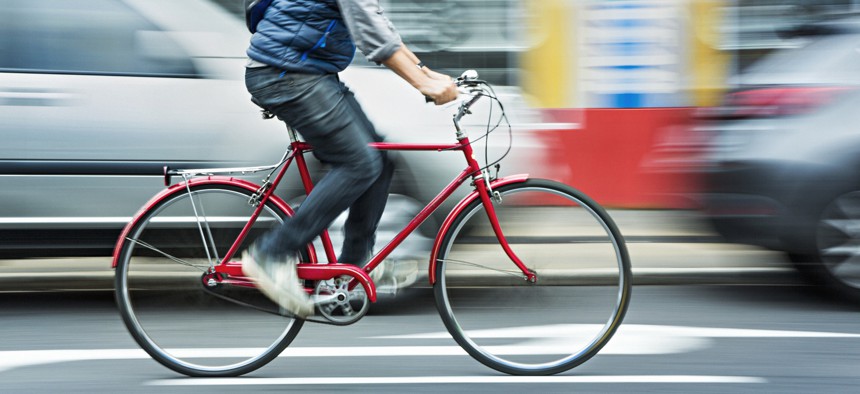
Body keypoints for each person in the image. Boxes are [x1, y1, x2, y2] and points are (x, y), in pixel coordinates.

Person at [241, 0, 458, 318]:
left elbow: (379, 24)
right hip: (288, 73)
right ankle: (271, 254)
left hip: (307, 72)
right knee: (359, 163)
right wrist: (422, 83)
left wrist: (425, 72)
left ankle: (353, 267)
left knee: (381, 159)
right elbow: (371, 30)